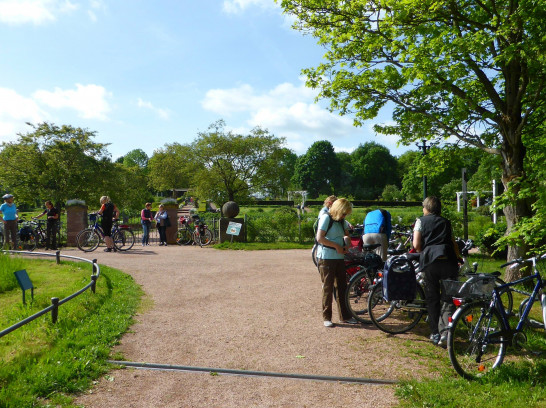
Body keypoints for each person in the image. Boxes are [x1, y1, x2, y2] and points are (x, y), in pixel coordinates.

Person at [412, 196, 459, 346]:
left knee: (432, 298)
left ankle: (435, 333)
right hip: (448, 261)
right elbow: (453, 243)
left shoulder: (421, 221)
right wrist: (458, 258)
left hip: (430, 262)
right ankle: (446, 332)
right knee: (447, 297)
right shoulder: (446, 222)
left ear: (426, 208)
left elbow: (417, 245)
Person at [315, 197, 358, 327]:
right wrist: (336, 246)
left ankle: (345, 316)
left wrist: (347, 242)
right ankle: (327, 317)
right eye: (344, 213)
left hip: (339, 257)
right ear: (339, 210)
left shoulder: (341, 221)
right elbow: (320, 238)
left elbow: (346, 235)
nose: (345, 216)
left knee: (342, 287)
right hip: (326, 258)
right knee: (328, 288)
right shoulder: (326, 218)